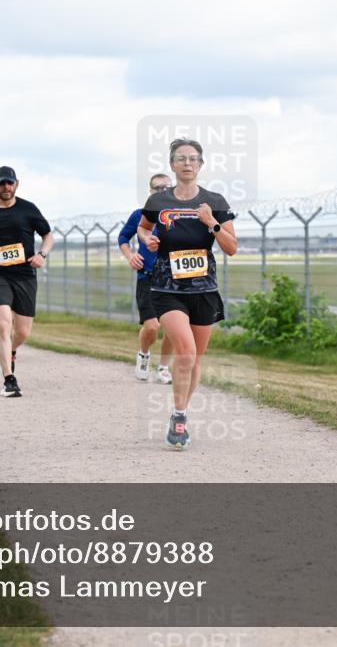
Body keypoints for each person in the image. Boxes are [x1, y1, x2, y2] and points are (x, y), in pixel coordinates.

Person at [138, 138, 237, 450]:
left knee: (196, 361)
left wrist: (212, 225)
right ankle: (179, 418)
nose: (187, 164)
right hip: (167, 289)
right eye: (181, 158)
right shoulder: (159, 202)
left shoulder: (215, 201)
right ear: (172, 165)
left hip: (204, 290)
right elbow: (143, 228)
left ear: (201, 165)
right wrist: (148, 240)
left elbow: (232, 248)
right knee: (187, 352)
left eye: (193, 159)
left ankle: (180, 410)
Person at [0, 166, 54, 397]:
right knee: (3, 323)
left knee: (23, 331)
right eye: (2, 183)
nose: (6, 188)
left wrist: (42, 255)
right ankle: (9, 379)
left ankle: (11, 350)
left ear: (17, 183)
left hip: (25, 274)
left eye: (10, 183)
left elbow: (47, 235)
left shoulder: (28, 209)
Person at [119, 173, 174, 384]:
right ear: (150, 192)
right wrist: (130, 255)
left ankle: (163, 367)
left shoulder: (179, 216)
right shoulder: (140, 215)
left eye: (166, 187)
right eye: (158, 188)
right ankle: (143, 355)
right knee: (152, 326)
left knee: (172, 327)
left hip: (174, 278)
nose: (163, 192)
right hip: (148, 278)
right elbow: (123, 238)